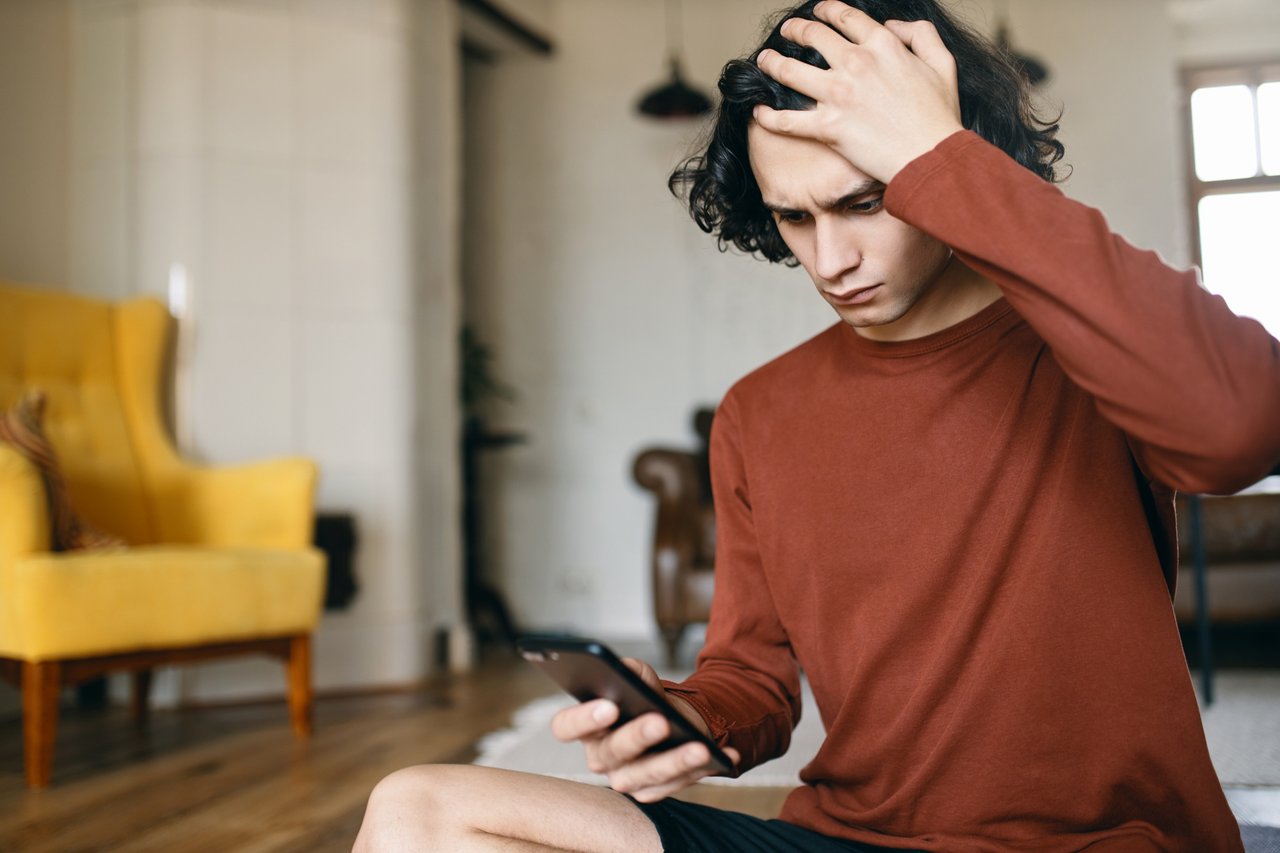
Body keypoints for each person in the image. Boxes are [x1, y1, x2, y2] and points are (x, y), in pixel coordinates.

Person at [353, 0, 1280, 850]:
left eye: (867, 200)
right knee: (420, 809)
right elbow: (752, 681)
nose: (830, 260)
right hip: (849, 840)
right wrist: (680, 723)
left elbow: (1241, 425)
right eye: (794, 217)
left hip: (1097, 845)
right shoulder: (760, 411)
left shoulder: (1090, 338)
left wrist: (946, 157)